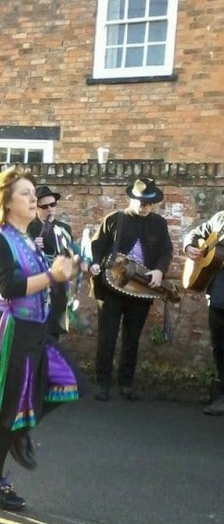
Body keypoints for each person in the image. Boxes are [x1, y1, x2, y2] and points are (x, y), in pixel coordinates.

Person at [0, 166, 84, 511]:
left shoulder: (27, 237)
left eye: (34, 194)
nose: (34, 199)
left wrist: (66, 272)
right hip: (11, 330)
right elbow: (10, 286)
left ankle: (19, 434)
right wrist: (52, 275)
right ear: (5, 201)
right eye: (25, 193)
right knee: (9, 409)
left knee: (69, 381)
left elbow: (42, 280)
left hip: (35, 328)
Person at [89, 177, 173, 401]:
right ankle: (103, 383)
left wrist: (159, 270)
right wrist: (94, 263)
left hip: (142, 288)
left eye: (149, 204)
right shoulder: (114, 219)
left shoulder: (159, 223)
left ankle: (126, 384)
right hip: (111, 287)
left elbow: (166, 251)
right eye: (141, 202)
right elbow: (96, 246)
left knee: (132, 338)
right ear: (131, 199)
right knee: (107, 337)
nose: (145, 207)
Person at [29, 184, 88, 338]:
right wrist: (31, 246)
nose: (49, 209)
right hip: (37, 286)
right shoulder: (28, 228)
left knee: (53, 333)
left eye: (52, 204)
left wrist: (77, 261)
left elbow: (69, 255)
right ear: (36, 208)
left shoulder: (64, 228)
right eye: (44, 206)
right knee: (34, 334)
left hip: (58, 287)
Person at [183, 211, 224, 415]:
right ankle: (221, 393)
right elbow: (195, 233)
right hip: (218, 295)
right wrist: (189, 246)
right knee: (219, 347)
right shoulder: (220, 218)